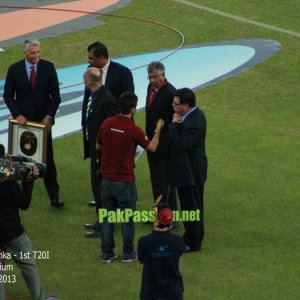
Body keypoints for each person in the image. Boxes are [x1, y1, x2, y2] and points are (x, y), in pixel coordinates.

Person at [96, 92, 164, 263]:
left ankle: (107, 253)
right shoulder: (134, 130)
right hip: (125, 182)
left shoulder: (107, 123)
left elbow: (98, 145)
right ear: (133, 109)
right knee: (127, 220)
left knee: (107, 218)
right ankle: (128, 253)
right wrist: (158, 130)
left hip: (106, 180)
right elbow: (152, 148)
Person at [3, 38, 63, 208]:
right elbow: (8, 95)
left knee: (47, 160)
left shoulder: (48, 67)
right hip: (24, 125)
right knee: (25, 159)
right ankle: (24, 197)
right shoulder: (14, 69)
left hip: (43, 125)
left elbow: (56, 96)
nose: (36, 56)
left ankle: (54, 196)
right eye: (33, 53)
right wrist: (18, 114)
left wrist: (49, 116)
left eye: (38, 52)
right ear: (25, 52)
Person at [0, 144, 57, 300]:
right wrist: (28, 181)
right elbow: (24, 203)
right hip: (12, 233)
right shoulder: (9, 183)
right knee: (28, 265)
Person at [82, 41, 135, 208]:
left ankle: (115, 205)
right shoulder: (91, 72)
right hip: (95, 130)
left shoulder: (122, 72)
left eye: (91, 58)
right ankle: (103, 201)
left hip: (114, 133)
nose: (88, 61)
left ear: (102, 58)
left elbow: (128, 102)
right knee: (100, 171)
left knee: (115, 170)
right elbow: (87, 98)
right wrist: (85, 122)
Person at [168, 88, 208, 252]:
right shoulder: (190, 117)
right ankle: (190, 236)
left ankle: (193, 242)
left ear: (185, 105)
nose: (173, 106)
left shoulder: (195, 121)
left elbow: (182, 143)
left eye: (176, 104)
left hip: (191, 172)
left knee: (192, 208)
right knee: (189, 207)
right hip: (188, 171)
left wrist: (174, 125)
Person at [82, 67, 119, 238]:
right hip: (96, 150)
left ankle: (105, 225)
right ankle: (101, 220)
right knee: (97, 187)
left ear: (89, 81)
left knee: (102, 189)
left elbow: (113, 128)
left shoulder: (106, 98)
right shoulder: (96, 95)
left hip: (103, 153)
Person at [145, 61, 176, 209]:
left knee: (165, 181)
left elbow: (174, 121)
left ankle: (170, 215)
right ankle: (159, 212)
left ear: (163, 75)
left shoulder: (170, 92)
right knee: (155, 180)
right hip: (152, 143)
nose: (152, 80)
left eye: (155, 77)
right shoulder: (150, 88)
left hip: (164, 145)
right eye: (149, 77)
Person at [138, 203, 184, 300]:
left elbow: (140, 260)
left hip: (151, 293)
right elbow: (178, 260)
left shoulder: (144, 241)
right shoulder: (178, 240)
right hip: (173, 293)